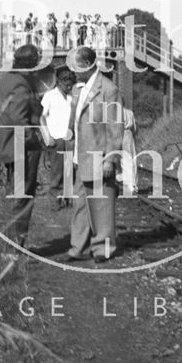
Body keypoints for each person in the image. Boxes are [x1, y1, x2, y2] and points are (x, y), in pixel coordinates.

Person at [66, 47, 124, 262]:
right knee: (80, 206)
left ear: (87, 66)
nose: (72, 72)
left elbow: (115, 127)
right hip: (80, 156)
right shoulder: (77, 89)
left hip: (99, 156)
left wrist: (111, 158)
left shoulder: (109, 90)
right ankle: (78, 248)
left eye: (75, 67)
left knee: (102, 206)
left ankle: (103, 249)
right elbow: (74, 121)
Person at [0, 44, 43, 249]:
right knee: (23, 195)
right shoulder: (21, 84)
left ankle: (9, 244)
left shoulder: (7, 79)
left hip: (8, 144)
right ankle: (14, 247)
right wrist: (33, 140)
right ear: (32, 62)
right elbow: (19, 119)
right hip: (21, 147)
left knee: (14, 193)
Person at [40, 67, 76, 211]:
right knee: (57, 173)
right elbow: (41, 117)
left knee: (70, 172)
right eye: (66, 83)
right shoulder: (49, 96)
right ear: (59, 82)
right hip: (56, 139)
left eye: (71, 83)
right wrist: (47, 137)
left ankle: (68, 200)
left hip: (70, 140)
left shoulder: (72, 97)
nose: (69, 86)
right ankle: (55, 202)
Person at [116, 105, 138, 194]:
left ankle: (127, 183)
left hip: (120, 134)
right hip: (129, 134)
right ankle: (133, 184)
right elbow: (135, 128)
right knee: (132, 159)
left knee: (122, 159)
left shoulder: (116, 113)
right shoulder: (130, 112)